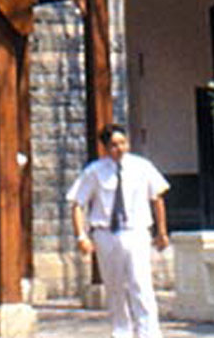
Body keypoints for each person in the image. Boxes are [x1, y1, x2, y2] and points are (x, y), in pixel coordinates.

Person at [68, 123, 169, 338]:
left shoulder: (142, 167)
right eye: (114, 145)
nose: (119, 148)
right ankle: (121, 331)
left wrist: (162, 232)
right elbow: (77, 203)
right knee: (114, 286)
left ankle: (149, 332)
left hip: (136, 231)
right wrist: (81, 236)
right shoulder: (94, 171)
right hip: (106, 234)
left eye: (123, 143)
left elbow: (157, 198)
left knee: (140, 283)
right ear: (105, 147)